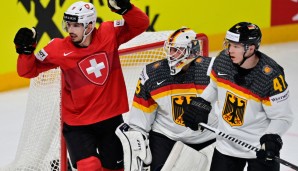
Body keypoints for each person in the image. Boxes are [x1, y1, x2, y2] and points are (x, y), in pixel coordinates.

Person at [13, 0, 149, 170]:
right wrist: (25, 51)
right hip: (78, 124)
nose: (70, 30)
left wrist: (126, 8)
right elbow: (27, 71)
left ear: (90, 25)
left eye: (76, 25)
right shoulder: (57, 48)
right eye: (68, 24)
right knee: (89, 166)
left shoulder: (109, 33)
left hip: (110, 120)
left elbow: (141, 24)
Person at [185, 22, 294, 171]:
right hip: (226, 145)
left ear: (250, 48)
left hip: (258, 149)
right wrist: (202, 102)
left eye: (235, 46)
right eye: (229, 45)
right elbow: (214, 85)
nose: (229, 50)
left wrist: (271, 138)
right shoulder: (222, 61)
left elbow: (282, 117)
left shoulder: (270, 76)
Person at [117, 27, 218, 171]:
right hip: (167, 137)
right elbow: (139, 121)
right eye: (170, 49)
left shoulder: (213, 70)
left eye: (177, 50)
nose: (171, 55)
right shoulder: (153, 74)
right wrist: (138, 142)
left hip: (207, 138)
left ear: (191, 50)